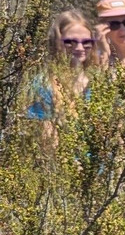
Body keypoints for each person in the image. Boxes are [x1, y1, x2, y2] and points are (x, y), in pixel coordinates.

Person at [28, 10, 104, 141]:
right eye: (70, 42)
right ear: (56, 42)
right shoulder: (44, 85)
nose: (80, 48)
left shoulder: (99, 83)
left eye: (86, 42)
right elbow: (47, 142)